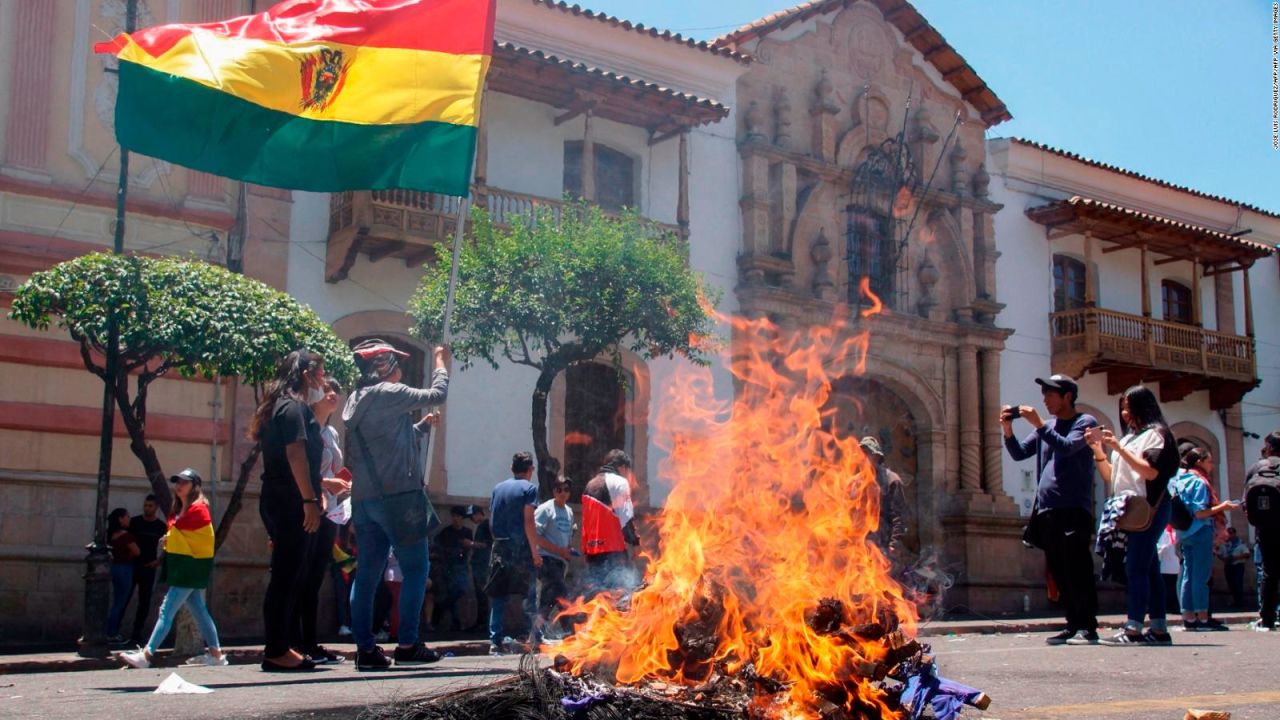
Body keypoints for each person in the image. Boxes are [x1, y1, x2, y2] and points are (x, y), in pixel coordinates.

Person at [343, 340, 449, 670]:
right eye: (396, 362)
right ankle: (406, 644)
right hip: (400, 498)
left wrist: (420, 427)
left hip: (364, 500)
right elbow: (437, 394)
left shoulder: (356, 399)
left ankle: (366, 650)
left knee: (367, 576)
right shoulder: (389, 393)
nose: (400, 367)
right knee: (417, 570)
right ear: (384, 365)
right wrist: (440, 362)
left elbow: (385, 443)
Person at [1001, 374, 1100, 645]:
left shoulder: (1084, 422)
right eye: (1043, 394)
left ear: (1067, 396)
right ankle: (1071, 623)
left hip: (1073, 508)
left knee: (1077, 567)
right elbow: (1020, 453)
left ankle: (1087, 626)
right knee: (1057, 569)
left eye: (1050, 394)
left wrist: (1040, 425)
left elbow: (1068, 448)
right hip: (1047, 510)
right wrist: (1008, 431)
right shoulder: (1048, 427)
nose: (1045, 399)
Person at [252, 349, 329, 672]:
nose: (324, 380)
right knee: (288, 576)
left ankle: (282, 646)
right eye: (321, 373)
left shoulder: (278, 406)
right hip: (291, 501)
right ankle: (277, 649)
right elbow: (296, 454)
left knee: (289, 574)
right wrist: (309, 500)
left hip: (279, 497)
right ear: (307, 373)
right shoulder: (294, 407)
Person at [1087, 385, 1181, 646]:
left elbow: (1151, 473)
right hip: (1129, 507)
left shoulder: (1157, 435)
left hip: (1150, 506)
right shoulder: (1129, 438)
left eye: (1128, 406)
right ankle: (1159, 629)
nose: (1125, 412)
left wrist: (1117, 447)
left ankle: (1134, 627)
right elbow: (1110, 477)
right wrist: (1098, 450)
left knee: (1136, 567)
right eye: (1122, 407)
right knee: (1149, 568)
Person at [116, 469, 226, 668]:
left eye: (184, 482)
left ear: (195, 486)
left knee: (166, 610)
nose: (179, 485)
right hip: (188, 567)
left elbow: (185, 533)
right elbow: (180, 533)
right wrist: (171, 538)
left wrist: (171, 537)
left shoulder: (198, 509)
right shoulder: (184, 510)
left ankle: (147, 656)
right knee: (199, 610)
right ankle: (216, 655)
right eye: (177, 482)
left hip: (189, 567)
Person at [290, 377, 351, 665]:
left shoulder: (333, 433)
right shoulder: (306, 428)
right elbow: (296, 468)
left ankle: (310, 643)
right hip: (310, 508)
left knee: (315, 578)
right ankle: (293, 642)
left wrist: (340, 484)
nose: (333, 395)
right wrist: (327, 483)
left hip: (332, 511)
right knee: (299, 577)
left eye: (336, 391)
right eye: (328, 391)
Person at [486, 452, 566, 655]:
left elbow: (492, 517)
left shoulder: (498, 488)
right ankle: (534, 637)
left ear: (512, 469)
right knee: (529, 594)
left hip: (499, 546)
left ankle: (495, 641)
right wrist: (534, 552)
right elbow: (529, 520)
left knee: (499, 595)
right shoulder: (530, 489)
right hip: (520, 546)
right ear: (530, 470)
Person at [1168, 446, 1237, 631]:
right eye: (1209, 461)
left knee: (1187, 576)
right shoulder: (1199, 482)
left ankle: (1188, 617)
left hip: (1184, 532)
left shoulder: (1180, 480)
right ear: (1199, 462)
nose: (1212, 465)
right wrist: (1222, 507)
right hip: (1200, 531)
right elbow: (1200, 512)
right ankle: (1203, 617)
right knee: (1201, 576)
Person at [581, 450, 640, 597]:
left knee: (598, 596)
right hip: (613, 550)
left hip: (592, 551)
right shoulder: (620, 482)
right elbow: (625, 517)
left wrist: (585, 550)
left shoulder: (590, 485)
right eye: (627, 470)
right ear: (622, 467)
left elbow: (585, 522)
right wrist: (636, 542)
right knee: (621, 594)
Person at [1244, 431, 1280, 631]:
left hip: (1265, 527)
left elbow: (1245, 500)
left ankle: (1267, 618)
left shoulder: (1257, 467)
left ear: (1269, 447)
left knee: (1269, 572)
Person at [535, 477, 577, 640]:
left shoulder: (569, 511)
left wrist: (568, 550)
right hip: (547, 560)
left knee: (552, 599)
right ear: (554, 491)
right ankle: (569, 633)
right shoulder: (546, 509)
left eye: (566, 489)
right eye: (559, 489)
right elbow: (536, 537)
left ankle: (537, 634)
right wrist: (559, 551)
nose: (563, 493)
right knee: (561, 596)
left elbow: (566, 536)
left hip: (559, 562)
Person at [860, 437, 907, 564]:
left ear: (876, 457)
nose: (863, 458)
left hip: (882, 544)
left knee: (880, 580)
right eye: (861, 454)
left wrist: (894, 544)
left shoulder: (891, 480)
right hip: (859, 547)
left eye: (867, 453)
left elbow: (899, 515)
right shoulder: (854, 482)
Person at [128, 495, 168, 646]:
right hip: (132, 567)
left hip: (148, 568)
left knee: (144, 601)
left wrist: (158, 561)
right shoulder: (135, 522)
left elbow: (167, 546)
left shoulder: (160, 526)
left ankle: (137, 633)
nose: (147, 508)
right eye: (145, 505)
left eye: (150, 506)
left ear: (156, 507)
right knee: (125, 598)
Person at [432, 506, 474, 632]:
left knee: (458, 592)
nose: (455, 519)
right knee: (450, 594)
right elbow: (438, 547)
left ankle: (440, 614)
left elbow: (469, 548)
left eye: (458, 517)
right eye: (454, 516)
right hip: (448, 567)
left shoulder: (467, 532)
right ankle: (455, 623)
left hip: (461, 567)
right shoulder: (446, 532)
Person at [106, 508, 139, 644]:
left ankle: (111, 631)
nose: (129, 519)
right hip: (125, 568)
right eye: (127, 516)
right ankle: (112, 633)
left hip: (115, 567)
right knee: (120, 602)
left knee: (117, 601)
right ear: (120, 519)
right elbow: (136, 552)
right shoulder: (126, 536)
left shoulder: (110, 535)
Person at [467, 505, 492, 633]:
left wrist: (471, 544)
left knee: (482, 595)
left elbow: (488, 545)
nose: (472, 520)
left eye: (472, 516)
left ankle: (483, 623)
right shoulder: (481, 526)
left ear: (479, 514)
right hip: (478, 564)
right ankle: (481, 622)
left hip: (483, 565)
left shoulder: (486, 525)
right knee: (479, 595)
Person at [1218, 527, 1248, 609]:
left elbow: (1246, 554)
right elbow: (1219, 554)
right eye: (1228, 533)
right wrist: (1224, 559)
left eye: (1231, 533)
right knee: (1231, 584)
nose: (1230, 535)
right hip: (1228, 566)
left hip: (1238, 565)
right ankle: (1235, 601)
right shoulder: (1224, 544)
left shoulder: (1240, 543)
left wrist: (1235, 557)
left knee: (1238, 583)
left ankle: (1240, 602)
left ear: (1234, 533)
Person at [1157, 524, 1181, 615]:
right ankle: (1170, 606)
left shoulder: (1175, 533)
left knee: (1173, 588)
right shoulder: (1165, 533)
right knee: (1168, 588)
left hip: (1174, 564)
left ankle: (1175, 606)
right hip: (1166, 565)